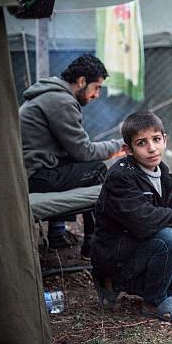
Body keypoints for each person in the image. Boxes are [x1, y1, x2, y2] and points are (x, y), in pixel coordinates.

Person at [91, 112, 172, 323]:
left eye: (156, 140)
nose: (152, 148)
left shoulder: (162, 173)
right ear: (128, 150)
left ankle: (137, 286)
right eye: (142, 143)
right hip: (118, 257)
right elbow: (143, 221)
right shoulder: (121, 177)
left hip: (142, 249)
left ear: (165, 139)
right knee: (168, 236)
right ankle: (151, 300)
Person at [19, 54, 123, 254]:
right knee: (97, 170)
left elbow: (73, 151)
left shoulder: (50, 94)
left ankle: (57, 235)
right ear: (82, 81)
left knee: (71, 167)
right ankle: (94, 245)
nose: (97, 95)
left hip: (33, 170)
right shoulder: (60, 101)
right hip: (34, 175)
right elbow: (84, 152)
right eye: (97, 87)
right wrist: (121, 146)